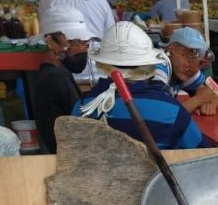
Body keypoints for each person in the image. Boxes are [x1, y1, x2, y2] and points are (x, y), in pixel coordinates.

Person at [73, 22, 208, 150]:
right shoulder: (174, 112)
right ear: (150, 65)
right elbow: (204, 157)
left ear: (101, 64)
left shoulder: (81, 107)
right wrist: (200, 99)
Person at [34, 6, 96, 153]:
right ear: (50, 42)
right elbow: (80, 122)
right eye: (74, 43)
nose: (83, 50)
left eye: (85, 43)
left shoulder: (54, 73)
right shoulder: (56, 77)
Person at [160, 27, 218, 115]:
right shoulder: (160, 66)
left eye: (198, 62)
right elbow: (161, 113)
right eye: (188, 58)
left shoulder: (184, 70)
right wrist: (198, 100)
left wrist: (210, 105)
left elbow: (216, 93)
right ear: (171, 50)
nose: (193, 67)